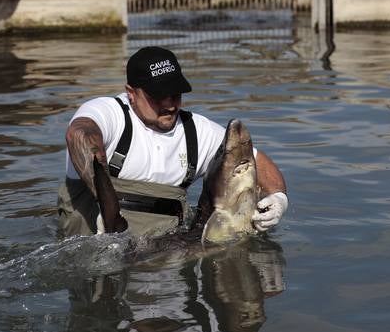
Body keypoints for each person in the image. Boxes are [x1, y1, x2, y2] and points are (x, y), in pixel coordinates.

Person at [57, 46, 288, 238]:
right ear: (131, 93)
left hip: (165, 258)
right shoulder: (109, 113)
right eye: (158, 96)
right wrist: (107, 207)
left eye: (176, 94)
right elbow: (79, 135)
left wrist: (278, 198)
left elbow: (255, 160)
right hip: (95, 244)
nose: (170, 104)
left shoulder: (195, 131)